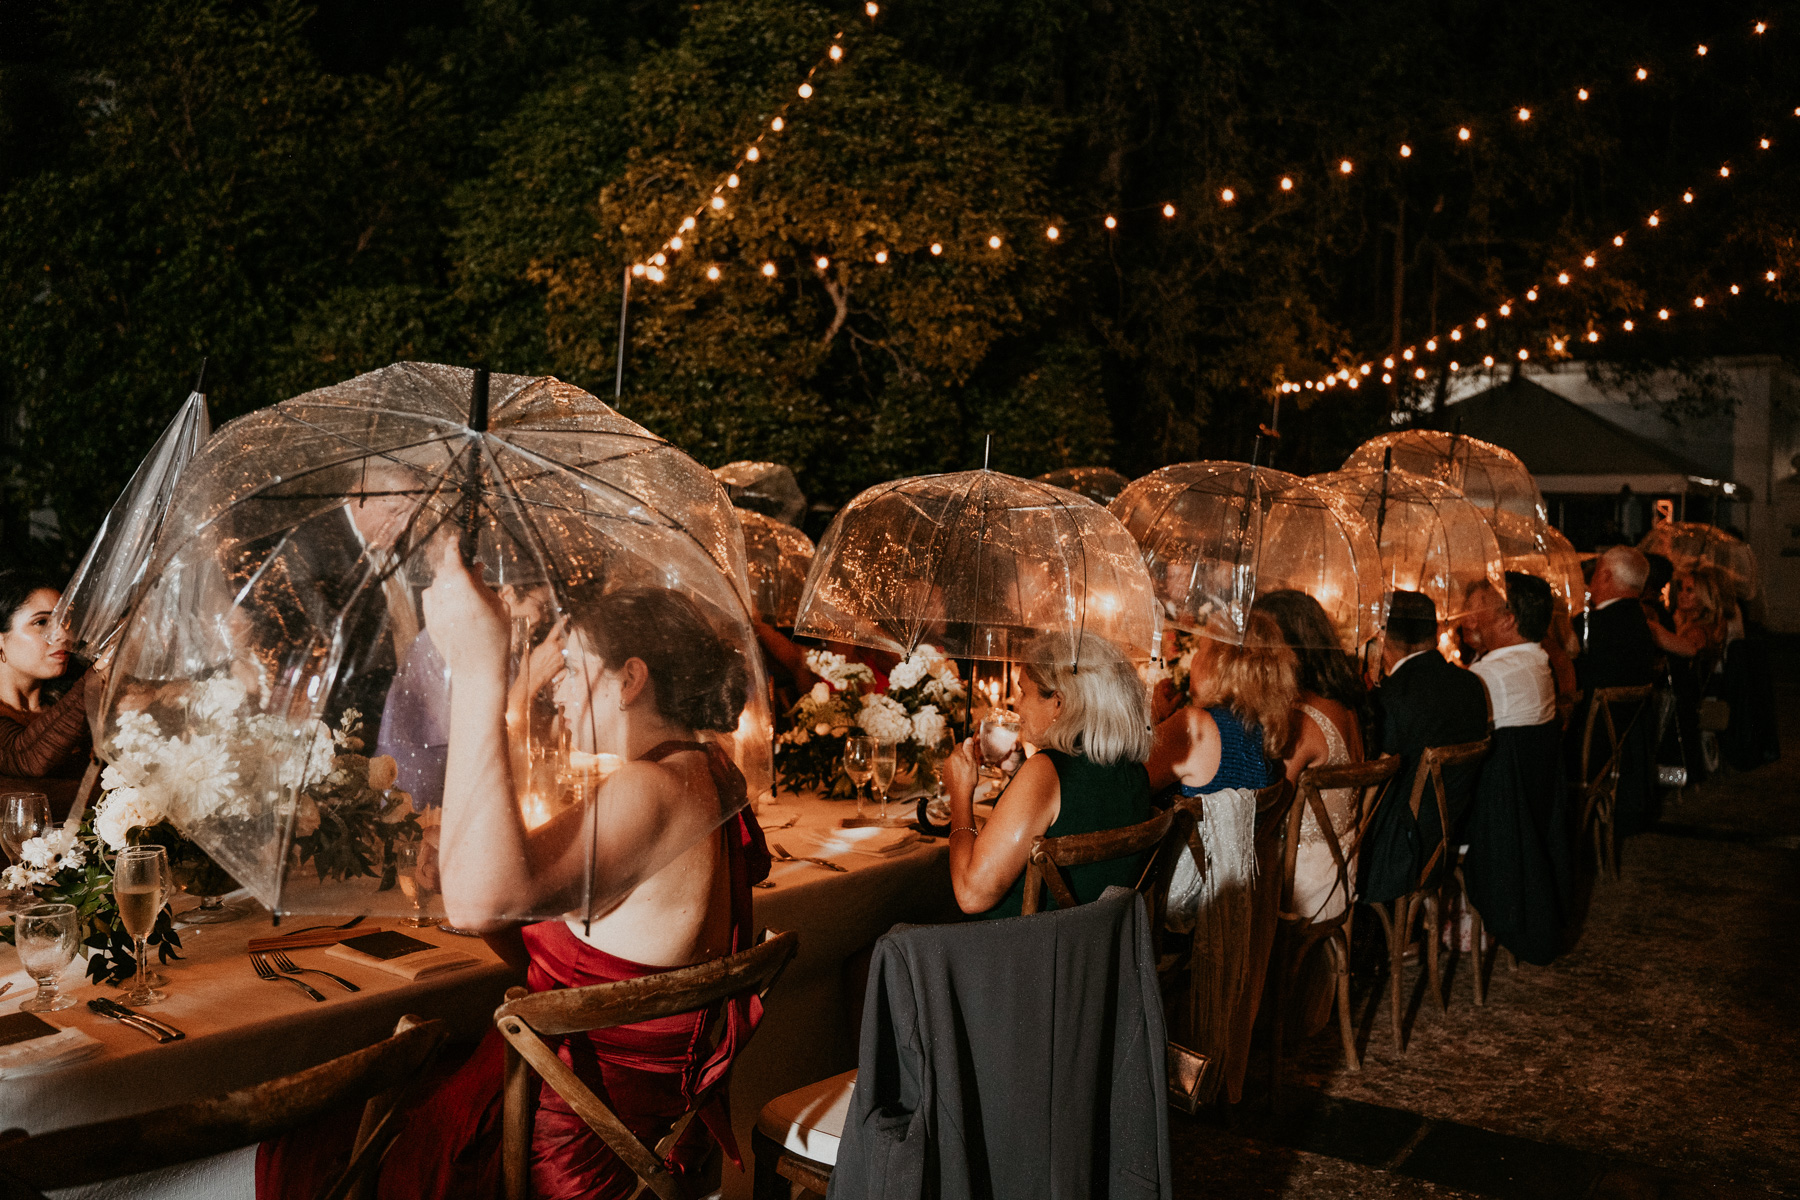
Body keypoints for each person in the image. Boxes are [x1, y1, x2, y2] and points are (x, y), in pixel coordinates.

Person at [260, 544, 770, 1200]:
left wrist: (479, 667)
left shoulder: (647, 790)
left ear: (628, 679)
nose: (555, 687)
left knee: (307, 1128)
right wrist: (476, 878)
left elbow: (477, 908)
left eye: (571, 668)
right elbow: (555, 958)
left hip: (570, 1146)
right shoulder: (707, 770)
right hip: (647, 1123)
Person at [940, 632, 1154, 919]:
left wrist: (960, 794)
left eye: (1024, 692)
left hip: (1016, 953)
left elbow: (970, 894)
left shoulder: (1048, 770)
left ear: (1059, 703)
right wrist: (1021, 773)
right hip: (1094, 952)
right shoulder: (1135, 772)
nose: (1017, 704)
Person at [1459, 573, 1573, 964]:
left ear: (1508, 619)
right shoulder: (1535, 663)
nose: (1468, 618)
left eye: (1478, 609)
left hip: (1490, 821)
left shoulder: (1490, 679)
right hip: (1524, 813)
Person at [1359, 591, 1489, 906]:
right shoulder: (1471, 686)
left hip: (1395, 852)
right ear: (1434, 634)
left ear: (1382, 636)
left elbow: (1369, 786)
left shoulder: (1390, 699)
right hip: (1449, 838)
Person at [1251, 590, 1366, 924]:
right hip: (1342, 873)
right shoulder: (1344, 704)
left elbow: (1267, 812)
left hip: (1300, 887)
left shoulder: (1302, 718)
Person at [1146, 611, 1295, 800]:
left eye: (1201, 648)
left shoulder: (1195, 725)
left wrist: (1150, 719)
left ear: (1218, 664)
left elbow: (1126, 786)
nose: (1195, 658)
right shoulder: (1261, 727)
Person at [0, 572, 94, 819]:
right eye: (41, 622)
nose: (63, 634)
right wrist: (99, 676)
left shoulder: (65, 706)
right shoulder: (80, 702)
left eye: (65, 621)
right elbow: (27, 757)